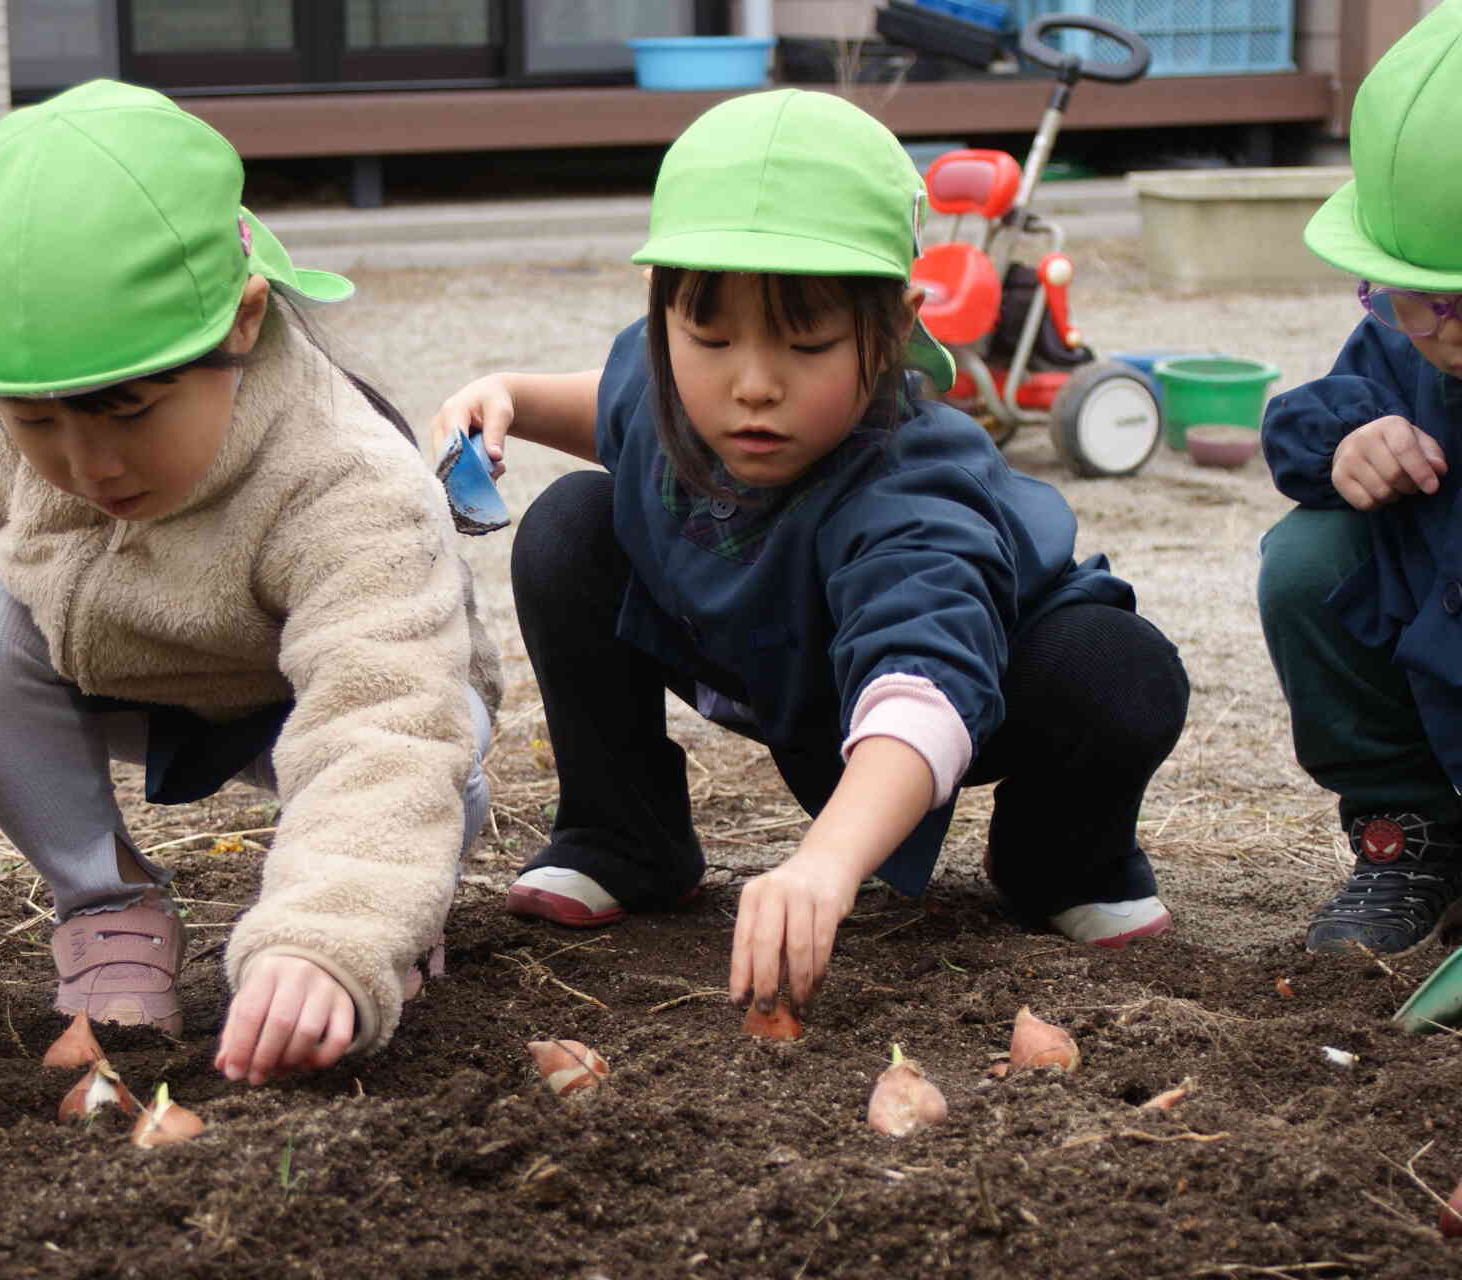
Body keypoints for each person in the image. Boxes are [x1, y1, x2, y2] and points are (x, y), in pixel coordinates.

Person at [0, 80, 501, 1083]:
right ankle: (109, 904)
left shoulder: (344, 476)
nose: (89, 466)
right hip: (132, 676)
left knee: (433, 751)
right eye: (37, 423)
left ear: (244, 323)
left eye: (128, 411)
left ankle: (396, 903)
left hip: (330, 702)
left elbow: (383, 718)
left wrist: (327, 934)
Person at [430, 89, 1188, 1014]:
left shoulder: (912, 482)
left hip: (968, 693)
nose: (752, 385)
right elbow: (620, 404)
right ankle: (623, 837)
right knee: (572, 525)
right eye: (709, 335)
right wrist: (504, 392)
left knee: (1118, 668)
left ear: (896, 326)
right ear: (662, 310)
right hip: (795, 677)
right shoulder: (672, 378)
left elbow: (926, 684)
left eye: (809, 341)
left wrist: (825, 863)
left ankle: (1057, 860)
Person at [1257, 0, 1462, 956]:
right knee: (1309, 558)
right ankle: (1412, 843)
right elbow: (1304, 416)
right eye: (1411, 297)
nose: (1440, 328)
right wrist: (1349, 441)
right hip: (1437, 668)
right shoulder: (1411, 351)